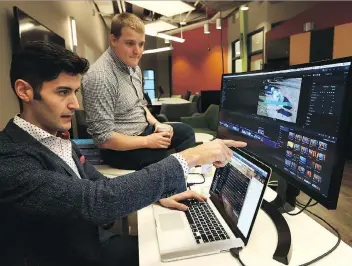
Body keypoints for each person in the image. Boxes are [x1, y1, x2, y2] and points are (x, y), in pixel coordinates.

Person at [0, 41, 247, 266]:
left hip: (91, 244)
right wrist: (189, 157)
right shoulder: (10, 159)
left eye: (75, 92)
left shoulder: (57, 139)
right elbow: (95, 201)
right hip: (70, 256)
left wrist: (158, 195)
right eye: (63, 92)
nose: (75, 104)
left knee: (192, 250)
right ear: (25, 91)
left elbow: (100, 184)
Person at [82, 13, 196, 170]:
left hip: (145, 132)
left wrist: (157, 124)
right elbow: (104, 139)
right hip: (120, 150)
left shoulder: (134, 68)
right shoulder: (99, 77)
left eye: (141, 44)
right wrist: (149, 141)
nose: (137, 51)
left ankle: (186, 176)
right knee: (167, 162)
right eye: (130, 43)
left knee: (186, 132)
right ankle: (177, 181)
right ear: (113, 40)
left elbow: (140, 104)